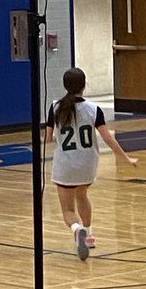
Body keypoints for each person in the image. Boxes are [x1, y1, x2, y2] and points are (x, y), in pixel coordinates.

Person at [46, 67, 138, 260]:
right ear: (84, 85)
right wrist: (127, 158)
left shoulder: (55, 107)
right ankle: (88, 235)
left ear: (64, 85)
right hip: (87, 164)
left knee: (68, 210)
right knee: (82, 195)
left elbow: (48, 138)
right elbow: (109, 139)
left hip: (65, 165)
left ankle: (76, 228)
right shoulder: (94, 109)